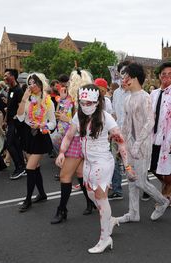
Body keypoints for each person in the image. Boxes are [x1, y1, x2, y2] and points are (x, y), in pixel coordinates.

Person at [56, 84, 133, 253]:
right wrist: (62, 152)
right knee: (92, 195)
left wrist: (127, 166)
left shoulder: (106, 117)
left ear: (97, 102)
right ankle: (110, 220)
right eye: (82, 102)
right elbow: (69, 136)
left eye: (89, 103)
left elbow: (120, 141)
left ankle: (105, 239)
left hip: (103, 163)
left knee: (100, 197)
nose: (85, 106)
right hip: (88, 163)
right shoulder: (79, 116)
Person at [116, 62, 169, 224]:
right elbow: (125, 124)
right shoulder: (128, 99)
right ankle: (133, 213)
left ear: (133, 78)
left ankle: (163, 201)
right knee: (131, 179)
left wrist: (138, 144)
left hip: (143, 145)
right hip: (131, 144)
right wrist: (122, 145)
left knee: (140, 180)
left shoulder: (145, 97)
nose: (122, 80)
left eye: (125, 77)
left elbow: (150, 122)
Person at [50, 69, 96, 224]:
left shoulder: (84, 103)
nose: (68, 83)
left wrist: (67, 119)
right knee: (80, 174)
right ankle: (90, 202)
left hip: (78, 142)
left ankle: (62, 210)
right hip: (76, 141)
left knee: (65, 176)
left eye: (71, 80)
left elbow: (84, 127)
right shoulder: (74, 100)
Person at [17, 73, 56, 212]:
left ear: (41, 84)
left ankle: (28, 199)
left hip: (40, 135)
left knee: (30, 168)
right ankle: (42, 194)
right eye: (30, 83)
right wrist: (23, 99)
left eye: (34, 83)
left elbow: (52, 123)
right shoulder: (27, 99)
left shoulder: (48, 101)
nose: (32, 86)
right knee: (36, 167)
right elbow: (20, 117)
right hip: (28, 134)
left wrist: (41, 126)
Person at [149, 62, 171, 205]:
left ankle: (166, 195)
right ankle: (168, 186)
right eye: (163, 74)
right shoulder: (153, 94)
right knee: (153, 167)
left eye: (169, 74)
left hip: (168, 137)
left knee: (166, 168)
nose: (166, 77)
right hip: (153, 136)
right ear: (159, 76)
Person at [109, 61, 130, 200]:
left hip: (130, 135)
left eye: (126, 73)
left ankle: (142, 185)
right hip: (117, 133)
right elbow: (114, 113)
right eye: (121, 73)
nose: (123, 76)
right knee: (114, 161)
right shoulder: (116, 93)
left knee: (130, 163)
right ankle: (117, 189)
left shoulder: (136, 93)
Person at [4, 68, 26, 180]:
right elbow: (9, 107)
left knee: (9, 144)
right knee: (16, 144)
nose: (5, 78)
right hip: (10, 121)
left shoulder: (18, 90)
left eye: (7, 75)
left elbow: (21, 107)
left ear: (13, 77)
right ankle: (23, 166)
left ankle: (19, 167)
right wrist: (5, 120)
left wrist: (16, 118)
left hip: (15, 122)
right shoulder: (11, 90)